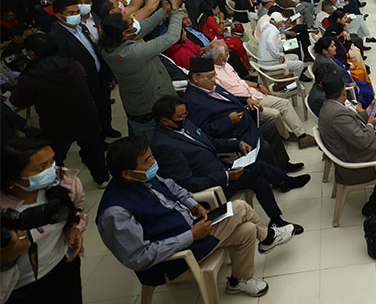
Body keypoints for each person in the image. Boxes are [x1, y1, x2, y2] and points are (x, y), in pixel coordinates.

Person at [97, 137, 272, 297]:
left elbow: (173, 188)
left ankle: (238, 281)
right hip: (172, 258)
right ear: (127, 173)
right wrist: (191, 236)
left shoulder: (141, 177)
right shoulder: (115, 212)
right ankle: (269, 237)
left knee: (248, 229)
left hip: (189, 229)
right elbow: (140, 257)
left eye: (152, 157)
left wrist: (194, 205)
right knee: (239, 207)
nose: (153, 163)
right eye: (147, 160)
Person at [150, 96, 303, 240]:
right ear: (165, 121)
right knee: (256, 168)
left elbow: (210, 143)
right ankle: (284, 180)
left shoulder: (184, 124)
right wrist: (226, 177)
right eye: (180, 116)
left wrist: (237, 144)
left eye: (185, 114)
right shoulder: (164, 146)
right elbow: (186, 183)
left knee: (258, 178)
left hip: (222, 168)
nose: (185, 118)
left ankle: (277, 220)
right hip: (213, 185)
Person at [183, 57, 308, 183]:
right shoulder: (192, 101)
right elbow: (203, 132)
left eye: (214, 75)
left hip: (244, 122)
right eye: (209, 77)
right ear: (195, 78)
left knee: (270, 127)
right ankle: (281, 180)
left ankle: (283, 165)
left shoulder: (211, 86)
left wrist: (246, 99)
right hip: (232, 132)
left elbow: (230, 98)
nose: (213, 80)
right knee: (264, 147)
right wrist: (228, 121)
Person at [9, 33, 110, 186]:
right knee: (94, 150)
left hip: (56, 125)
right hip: (86, 117)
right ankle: (102, 178)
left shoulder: (31, 76)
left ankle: (57, 184)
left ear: (31, 53)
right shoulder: (74, 65)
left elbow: (18, 100)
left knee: (55, 157)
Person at [0, 138, 88, 303]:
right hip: (20, 288)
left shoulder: (65, 183)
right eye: (40, 168)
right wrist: (6, 260)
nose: (52, 170)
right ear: (11, 178)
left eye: (52, 161)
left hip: (64, 268)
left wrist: (74, 227)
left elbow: (76, 209)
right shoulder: (5, 211)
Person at [318, 75, 376, 216]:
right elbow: (363, 141)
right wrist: (370, 126)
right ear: (344, 92)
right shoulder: (337, 115)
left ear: (325, 93)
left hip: (349, 150)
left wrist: (370, 109)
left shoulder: (328, 107)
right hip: (354, 161)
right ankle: (374, 205)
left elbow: (353, 124)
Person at [99, 0, 185, 140]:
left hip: (136, 104)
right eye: (131, 24)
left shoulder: (109, 44)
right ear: (125, 33)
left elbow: (143, 28)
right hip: (149, 111)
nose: (136, 24)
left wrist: (164, 10)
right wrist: (176, 10)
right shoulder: (130, 53)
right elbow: (171, 37)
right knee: (156, 145)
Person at [206, 41, 315, 148]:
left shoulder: (227, 65)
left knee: (284, 103)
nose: (228, 53)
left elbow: (241, 81)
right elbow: (225, 97)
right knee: (275, 114)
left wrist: (258, 85)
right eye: (226, 52)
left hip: (254, 94)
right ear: (220, 56)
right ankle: (285, 135)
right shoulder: (213, 75)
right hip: (245, 104)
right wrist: (246, 100)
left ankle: (302, 136)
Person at [50, 0, 121, 139]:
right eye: (71, 13)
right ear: (59, 15)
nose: (76, 15)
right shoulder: (56, 37)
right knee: (91, 114)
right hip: (83, 82)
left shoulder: (81, 27)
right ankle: (98, 140)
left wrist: (108, 75)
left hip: (99, 76)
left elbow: (96, 50)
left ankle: (107, 128)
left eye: (77, 11)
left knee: (104, 106)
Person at [308, 64, 376, 139]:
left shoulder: (329, 90)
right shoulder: (322, 100)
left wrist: (370, 107)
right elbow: (355, 133)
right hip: (354, 129)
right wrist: (370, 125)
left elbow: (347, 105)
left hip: (354, 116)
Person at [197, 0, 251, 71]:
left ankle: (242, 62)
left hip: (213, 38)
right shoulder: (210, 18)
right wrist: (221, 19)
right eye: (217, 9)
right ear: (212, 10)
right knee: (237, 43)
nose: (218, 11)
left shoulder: (203, 16)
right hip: (215, 41)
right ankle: (245, 64)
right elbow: (219, 31)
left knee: (237, 40)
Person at [258, 13, 311, 81]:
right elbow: (270, 42)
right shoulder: (273, 31)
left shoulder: (267, 28)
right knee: (300, 64)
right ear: (279, 23)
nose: (282, 24)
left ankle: (290, 76)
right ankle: (290, 82)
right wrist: (279, 56)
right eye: (281, 22)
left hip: (265, 60)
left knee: (295, 57)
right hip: (271, 62)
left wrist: (284, 46)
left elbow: (274, 43)